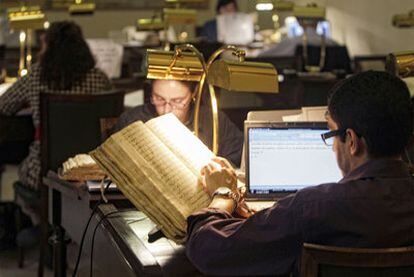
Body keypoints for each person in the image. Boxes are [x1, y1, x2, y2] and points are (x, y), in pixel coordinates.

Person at [186, 71, 414, 276]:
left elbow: (208, 250)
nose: (333, 146)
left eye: (331, 134)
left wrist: (223, 194)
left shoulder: (314, 206)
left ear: (352, 141)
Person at [0, 21, 112, 191]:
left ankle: (32, 216)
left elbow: (5, 105)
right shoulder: (99, 78)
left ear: (49, 47)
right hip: (90, 170)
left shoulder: (37, 75)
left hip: (43, 171)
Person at [113, 79, 243, 167]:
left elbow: (237, 157)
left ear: (194, 93)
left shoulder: (213, 120)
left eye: (178, 101)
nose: (167, 109)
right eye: (159, 99)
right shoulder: (132, 120)